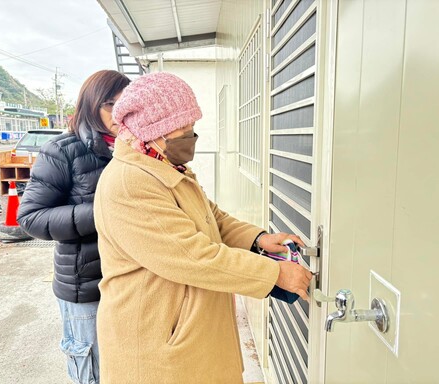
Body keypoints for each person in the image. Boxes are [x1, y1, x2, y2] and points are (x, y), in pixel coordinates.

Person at [93, 72, 313, 384]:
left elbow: (212, 218)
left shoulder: (164, 167)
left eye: (192, 128)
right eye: (182, 131)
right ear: (151, 132)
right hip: (158, 345)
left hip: (184, 331)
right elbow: (193, 256)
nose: (190, 137)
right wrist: (275, 273)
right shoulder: (131, 183)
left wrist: (259, 239)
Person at [17, 70, 130, 384]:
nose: (119, 114)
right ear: (90, 106)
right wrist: (102, 212)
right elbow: (31, 217)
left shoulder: (134, 150)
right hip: (86, 288)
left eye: (126, 104)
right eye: (110, 105)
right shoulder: (62, 150)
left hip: (129, 283)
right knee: (93, 372)